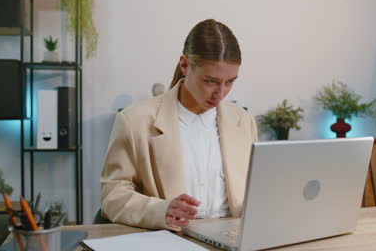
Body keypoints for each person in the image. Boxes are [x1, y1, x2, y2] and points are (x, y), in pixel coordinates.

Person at [100, 19, 258, 230]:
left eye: (229, 82)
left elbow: (255, 190)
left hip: (231, 238)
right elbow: (113, 195)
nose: (220, 94)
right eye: (210, 81)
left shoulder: (244, 121)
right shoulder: (134, 121)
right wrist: (160, 210)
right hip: (173, 238)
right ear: (185, 65)